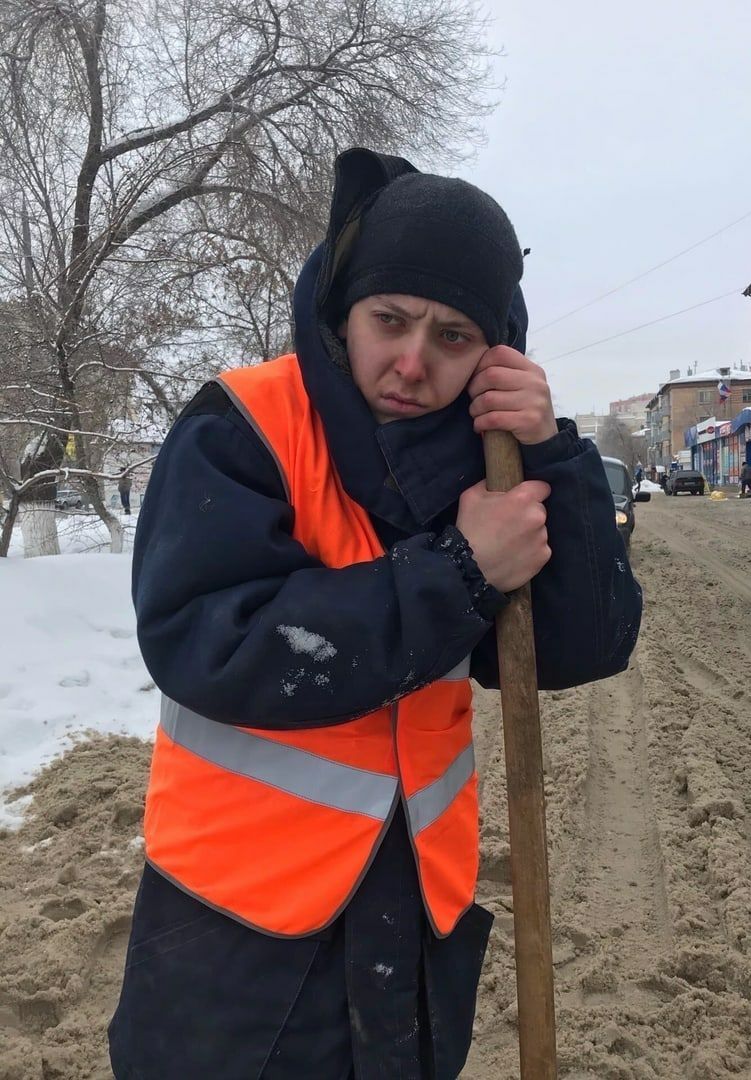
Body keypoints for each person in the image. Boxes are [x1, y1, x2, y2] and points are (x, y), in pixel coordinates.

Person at [108, 148, 643, 1080]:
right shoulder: (242, 426)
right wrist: (461, 570)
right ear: (342, 310)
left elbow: (583, 645)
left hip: (413, 911)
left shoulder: (488, 459)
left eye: (453, 337)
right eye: (389, 321)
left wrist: (552, 456)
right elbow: (213, 643)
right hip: (235, 934)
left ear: (496, 348)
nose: (411, 362)